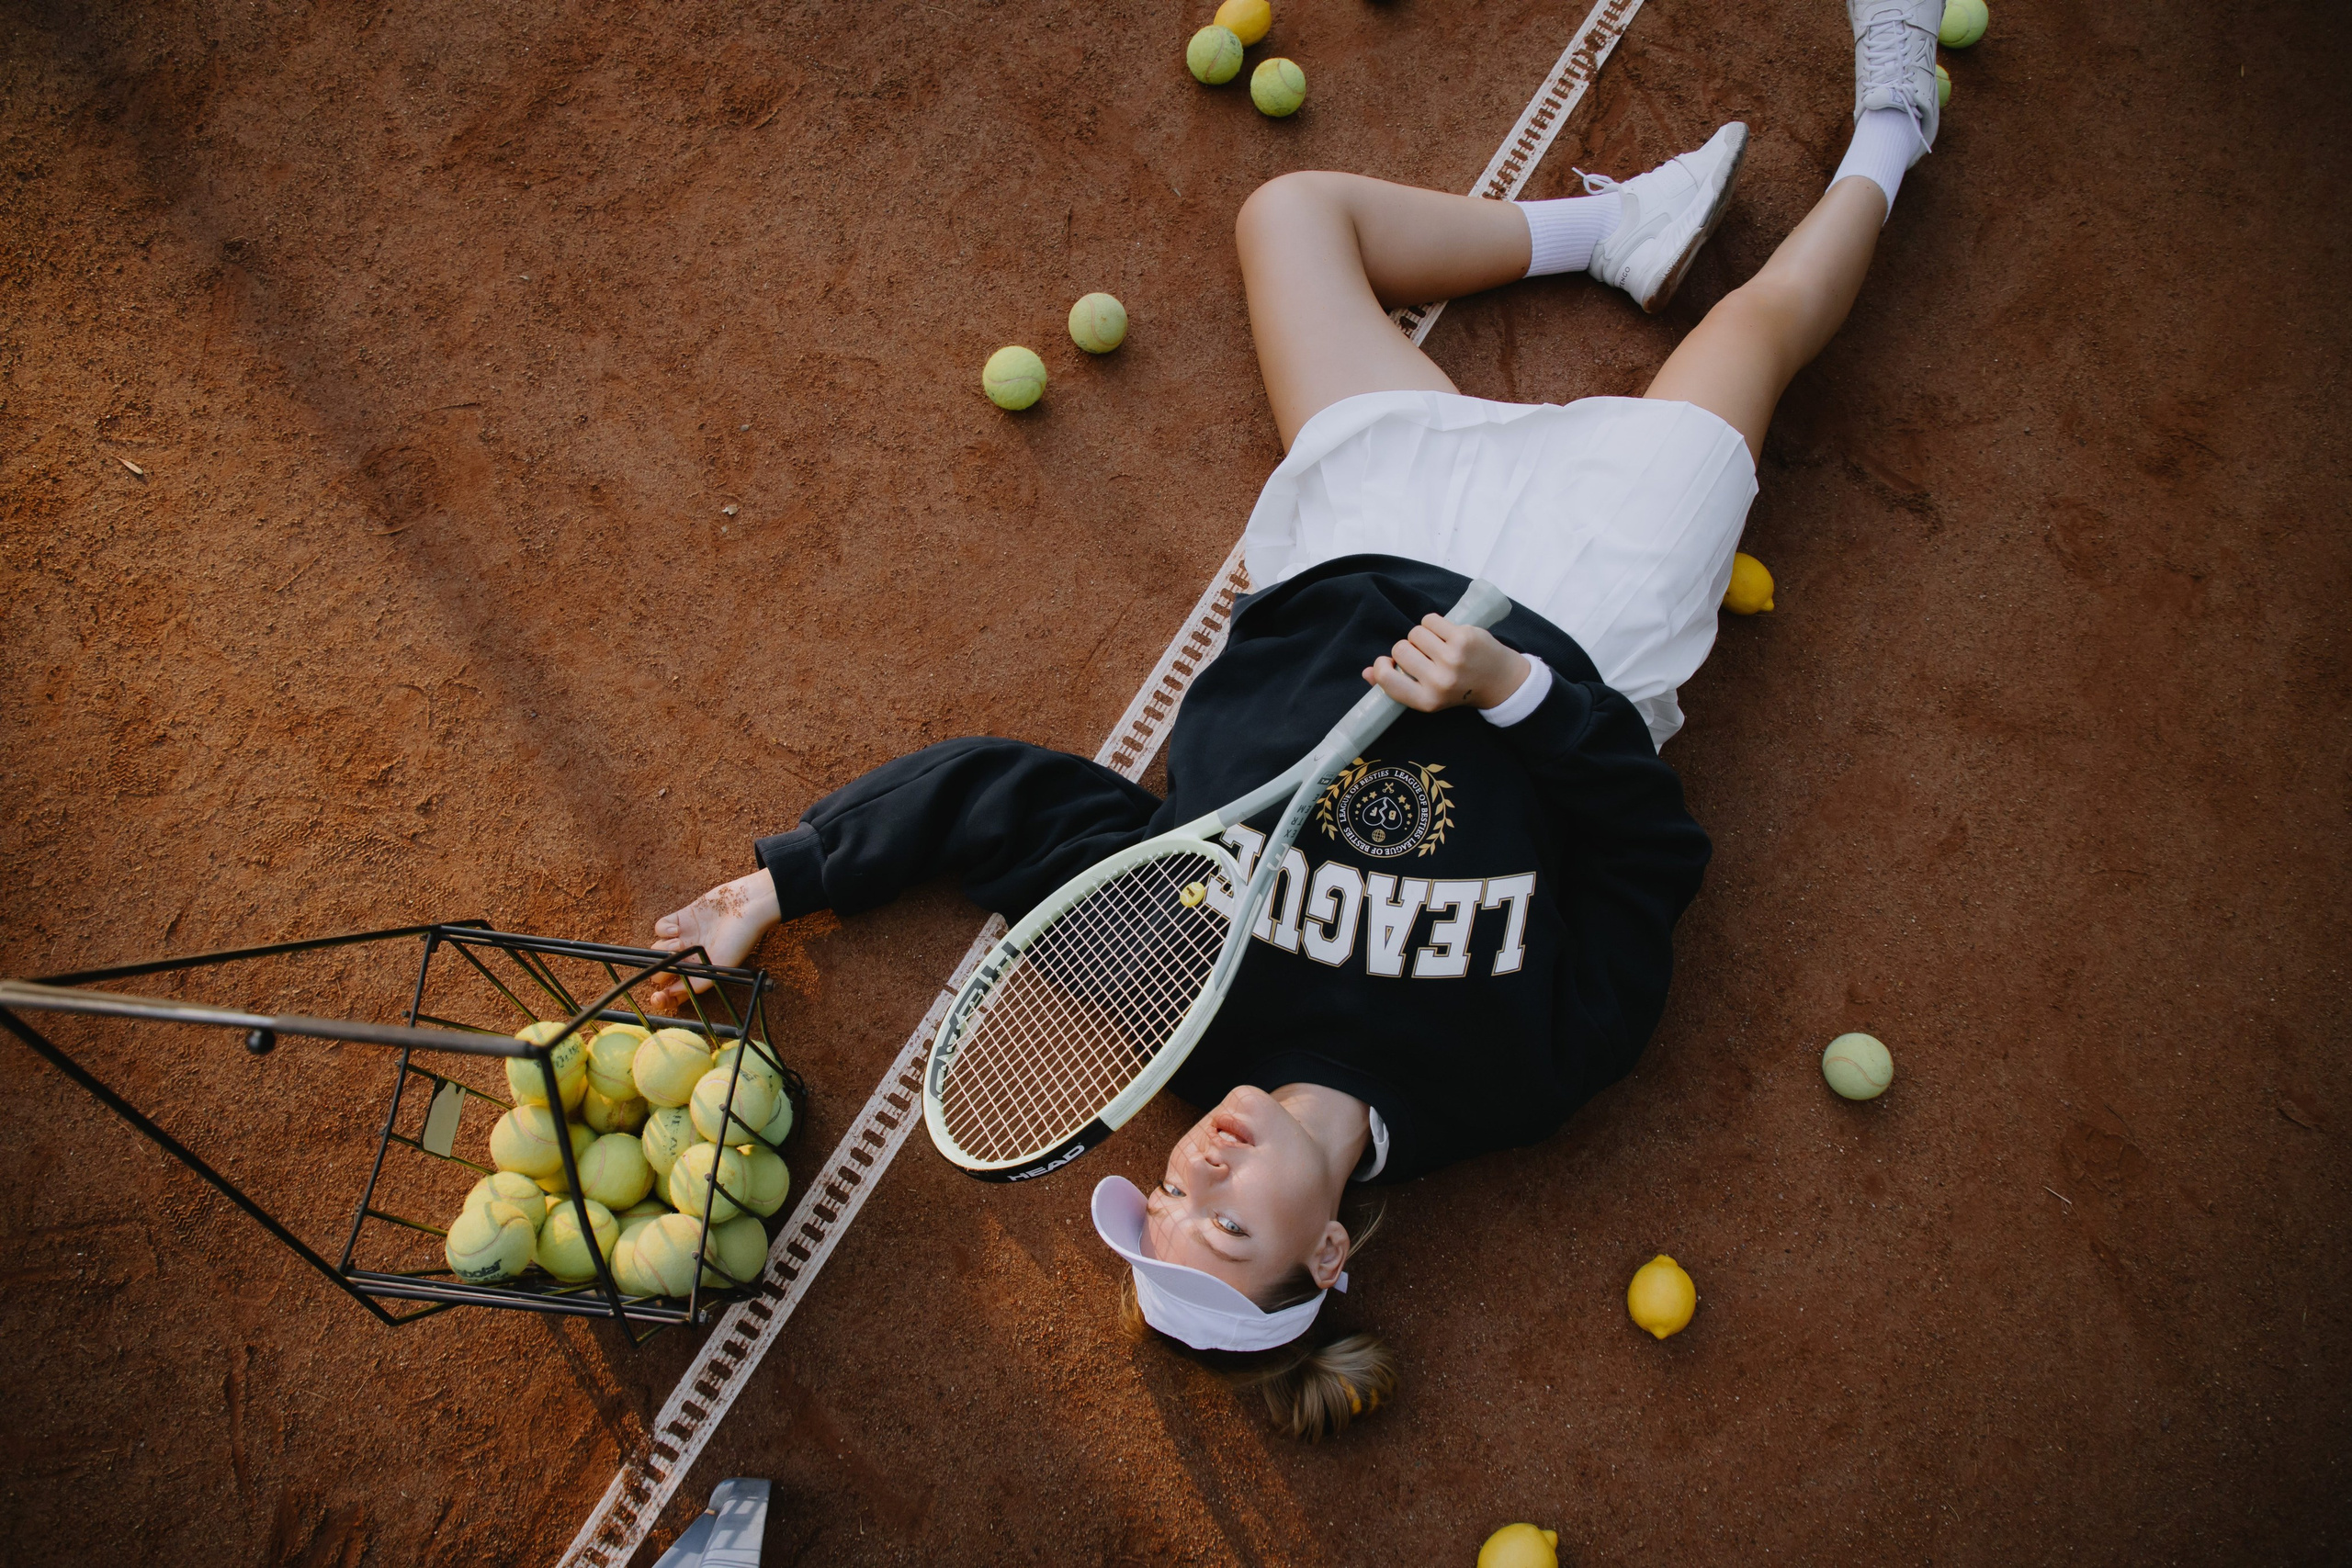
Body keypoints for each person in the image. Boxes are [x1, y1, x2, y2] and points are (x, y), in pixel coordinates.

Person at [650, 0, 1948, 1440]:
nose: (1192, 1177)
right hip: (1592, 605)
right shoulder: (1521, 1080)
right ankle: (1897, 127)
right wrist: (1512, 693)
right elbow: (1655, 860)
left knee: (1290, 215)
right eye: (1231, 1233)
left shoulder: (1179, 1013)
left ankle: (1611, 234)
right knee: (1753, 334)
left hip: (1359, 543)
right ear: (1328, 1256)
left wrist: (788, 876)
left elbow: (1002, 804)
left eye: (1167, 1201)